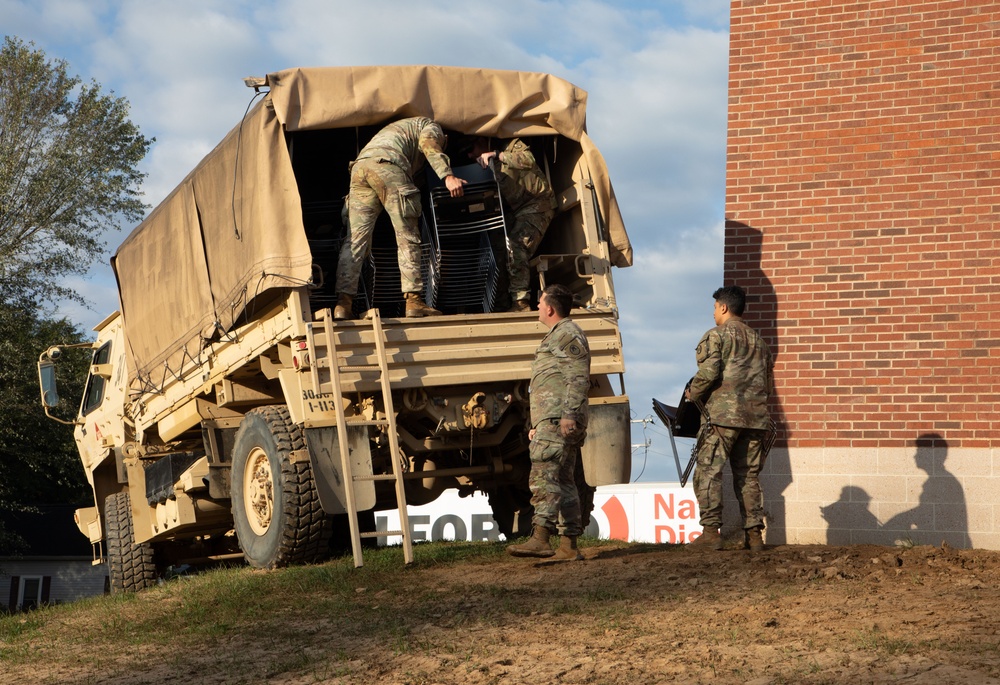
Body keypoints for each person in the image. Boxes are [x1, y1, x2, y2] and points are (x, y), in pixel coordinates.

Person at [334, 117, 467, 320]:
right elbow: (429, 145)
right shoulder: (431, 127)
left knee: (356, 240)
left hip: (360, 168)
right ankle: (414, 301)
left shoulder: (398, 130)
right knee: (407, 237)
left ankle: (343, 303)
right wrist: (448, 176)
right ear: (445, 139)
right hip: (389, 165)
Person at [685, 285, 774, 552]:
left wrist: (693, 393)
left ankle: (711, 533)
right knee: (748, 476)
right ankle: (754, 536)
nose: (713, 312)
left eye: (714, 307)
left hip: (722, 418)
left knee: (708, 472)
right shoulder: (760, 341)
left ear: (723, 307)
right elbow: (767, 384)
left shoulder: (717, 335)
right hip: (755, 419)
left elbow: (709, 373)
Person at [507, 283, 590, 561]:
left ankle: (541, 539)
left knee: (543, 476)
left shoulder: (566, 334)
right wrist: (537, 423)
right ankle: (568, 546)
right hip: (551, 419)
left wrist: (568, 415)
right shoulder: (559, 334)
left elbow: (577, 376)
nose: (538, 308)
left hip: (558, 419)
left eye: (541, 303)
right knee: (565, 481)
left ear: (551, 308)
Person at [470, 137, 557, 312]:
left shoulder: (510, 146)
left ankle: (521, 302)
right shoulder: (482, 168)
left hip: (538, 204)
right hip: (514, 210)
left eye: (472, 148)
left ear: (482, 141)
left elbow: (528, 160)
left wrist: (496, 155)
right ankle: (502, 305)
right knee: (497, 247)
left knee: (517, 246)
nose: (470, 154)